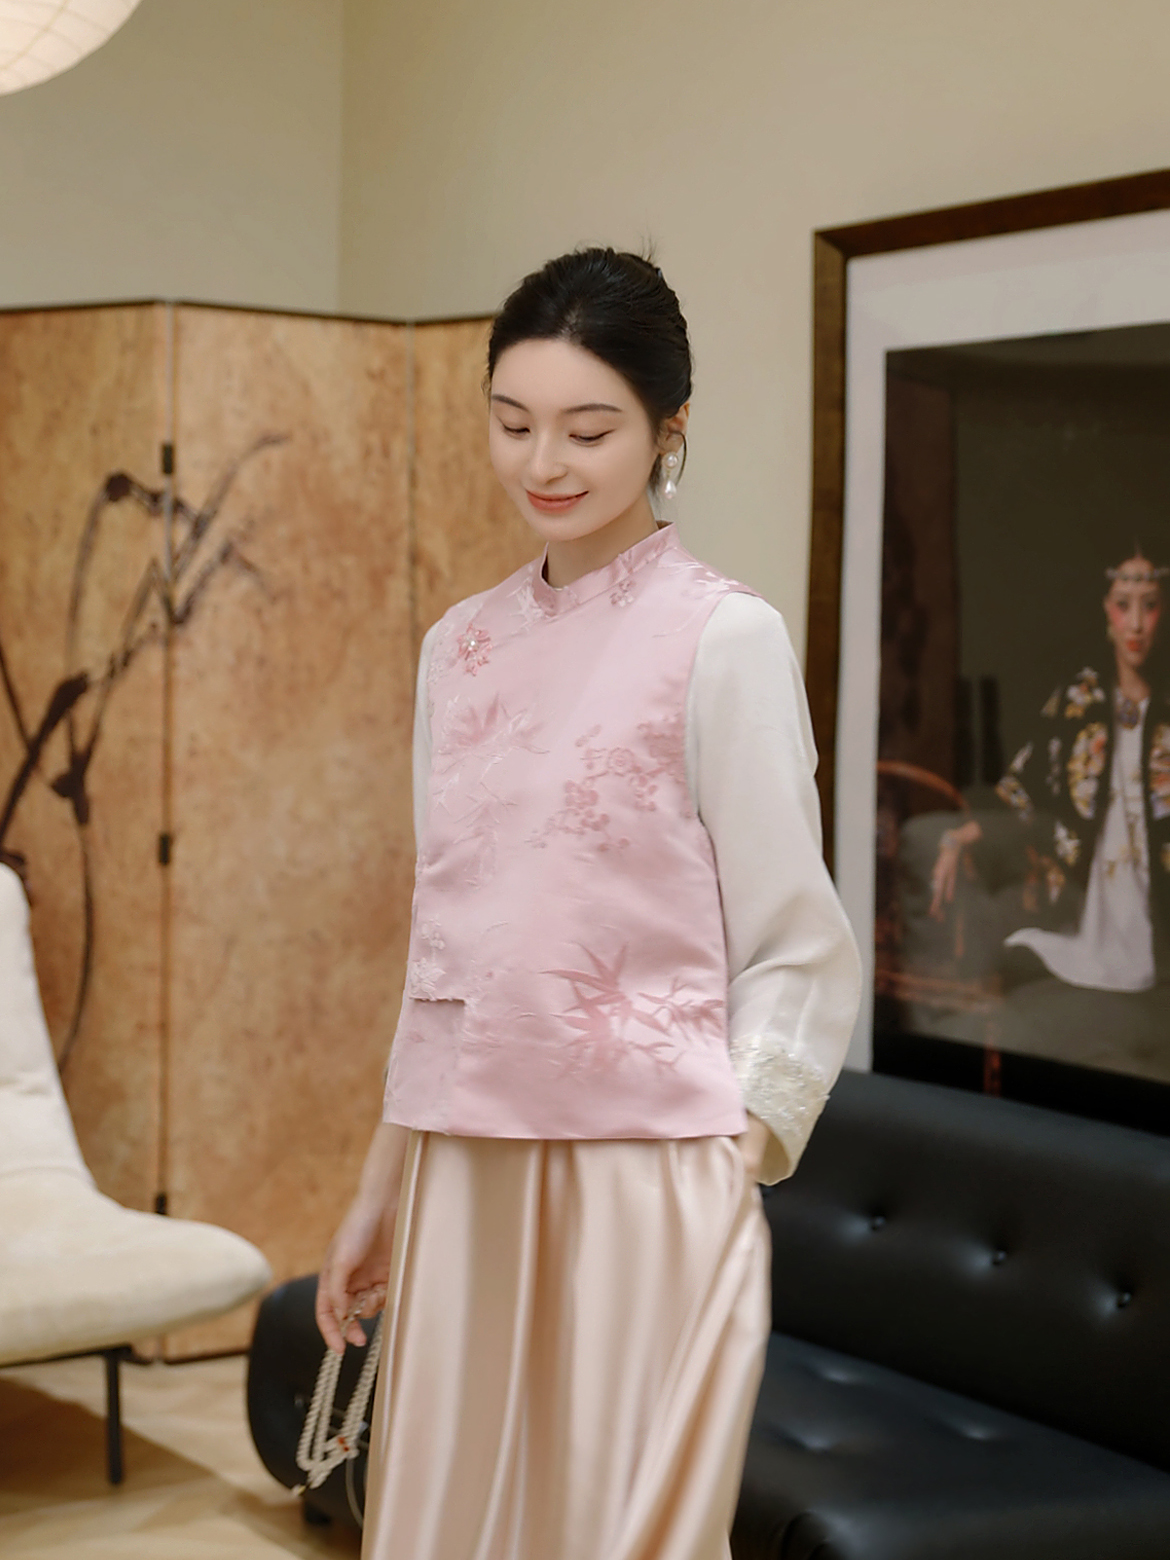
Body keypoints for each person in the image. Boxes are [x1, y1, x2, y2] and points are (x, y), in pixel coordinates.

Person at [316, 248, 862, 1560]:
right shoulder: (459, 648)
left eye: (588, 428)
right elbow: (444, 952)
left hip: (646, 1172)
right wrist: (383, 1185)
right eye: (513, 425)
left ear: (669, 428)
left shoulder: (724, 637)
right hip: (466, 1167)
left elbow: (796, 944)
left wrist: (728, 1161)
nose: (544, 463)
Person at [930, 546, 1170, 992]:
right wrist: (958, 836)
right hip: (1087, 908)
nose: (1136, 623)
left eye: (1150, 606)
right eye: (1124, 605)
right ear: (1106, 610)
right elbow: (1025, 789)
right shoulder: (1079, 701)